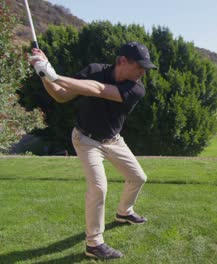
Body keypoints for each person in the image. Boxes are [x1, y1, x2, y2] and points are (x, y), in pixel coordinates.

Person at [29, 41, 157, 260]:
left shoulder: (136, 88)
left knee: (138, 177)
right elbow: (61, 95)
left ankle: (124, 212)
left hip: (113, 140)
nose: (143, 72)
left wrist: (54, 75)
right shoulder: (95, 70)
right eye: (139, 66)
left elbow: (98, 90)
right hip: (86, 139)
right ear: (122, 61)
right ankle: (94, 244)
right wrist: (43, 73)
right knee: (99, 188)